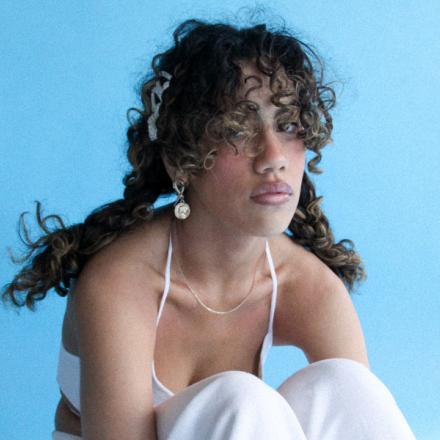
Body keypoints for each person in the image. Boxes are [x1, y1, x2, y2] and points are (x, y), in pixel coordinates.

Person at [2, 17, 416, 440]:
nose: (273, 156)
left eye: (288, 124)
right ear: (182, 158)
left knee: (345, 385)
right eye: (237, 129)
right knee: (241, 399)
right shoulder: (120, 285)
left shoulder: (308, 286)